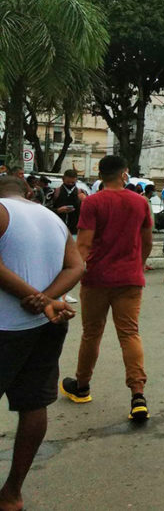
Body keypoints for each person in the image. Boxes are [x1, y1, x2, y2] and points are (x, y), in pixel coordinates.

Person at [0, 176, 82, 511]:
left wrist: (33, 297)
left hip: (6, 327)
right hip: (46, 323)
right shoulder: (53, 219)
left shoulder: (2, 210)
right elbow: (78, 265)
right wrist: (47, 299)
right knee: (34, 405)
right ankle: (12, 493)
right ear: (30, 193)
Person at [60, 155, 154, 421]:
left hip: (97, 279)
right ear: (125, 174)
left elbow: (84, 245)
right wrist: (138, 265)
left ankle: (81, 386)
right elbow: (146, 242)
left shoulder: (92, 202)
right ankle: (138, 396)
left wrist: (73, 274)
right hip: (130, 280)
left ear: (100, 175)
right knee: (129, 334)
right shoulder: (140, 202)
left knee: (91, 333)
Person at [51, 169, 87, 235]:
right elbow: (45, 209)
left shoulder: (82, 193)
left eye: (73, 183)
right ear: (63, 179)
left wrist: (85, 202)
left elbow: (89, 212)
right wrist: (58, 210)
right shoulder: (54, 192)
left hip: (76, 230)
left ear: (76, 180)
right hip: (57, 228)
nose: (70, 184)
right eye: (68, 182)